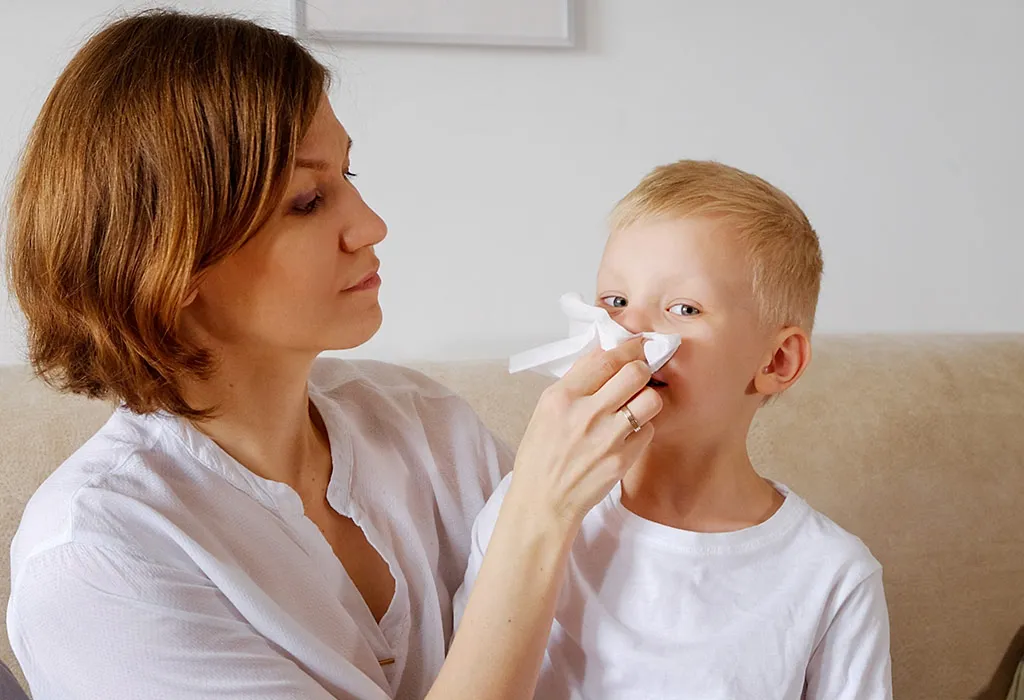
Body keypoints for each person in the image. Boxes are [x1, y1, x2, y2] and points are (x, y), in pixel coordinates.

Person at [4, 11, 662, 700]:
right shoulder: (99, 559)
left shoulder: (426, 425)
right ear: (169, 258)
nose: (372, 225)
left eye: (349, 172)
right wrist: (538, 513)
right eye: (308, 200)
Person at [457, 160, 893, 699]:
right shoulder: (526, 507)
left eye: (683, 308)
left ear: (777, 361)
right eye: (615, 302)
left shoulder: (832, 577)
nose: (630, 332)